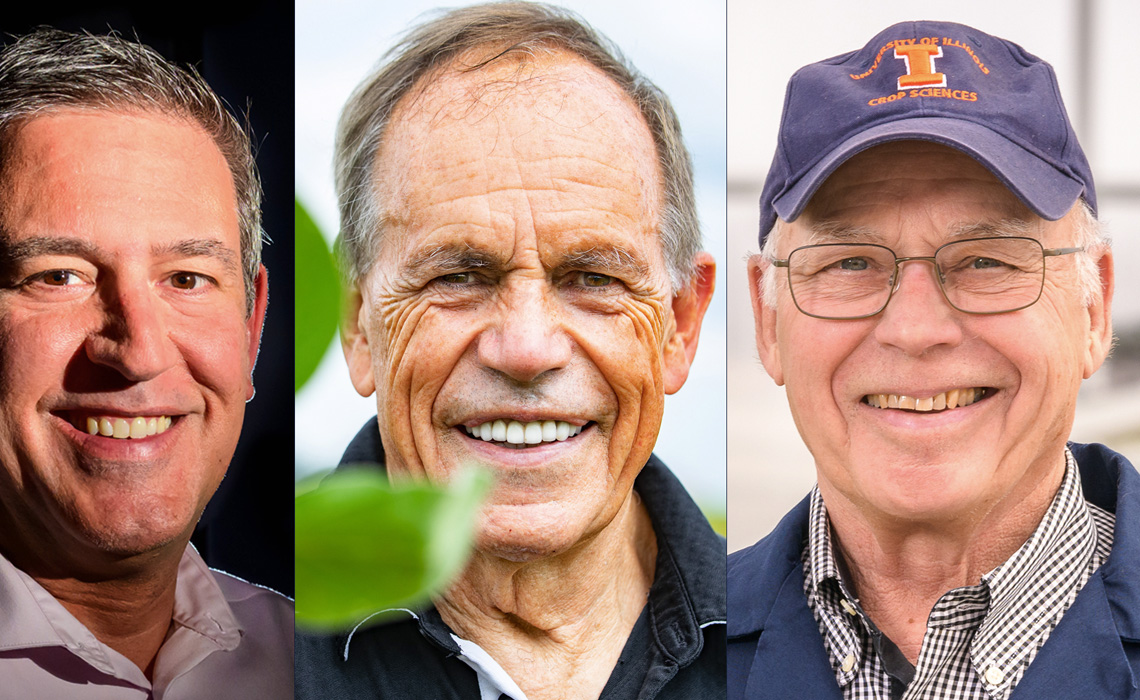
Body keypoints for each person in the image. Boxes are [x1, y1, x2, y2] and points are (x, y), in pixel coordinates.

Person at [294, 3, 723, 699]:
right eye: (458, 277)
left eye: (594, 279)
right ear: (358, 321)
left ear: (679, 323)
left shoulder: (783, 640)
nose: (526, 350)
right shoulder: (240, 642)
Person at [728, 20, 1136, 699]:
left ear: (1093, 309)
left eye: (987, 261)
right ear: (768, 322)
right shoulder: (685, 653)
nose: (915, 329)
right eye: (850, 263)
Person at [0, 29, 292, 699]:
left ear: (251, 330)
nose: (140, 354)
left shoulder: (313, 662)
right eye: (58, 276)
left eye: (187, 279)